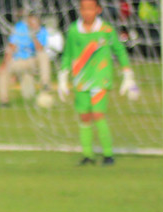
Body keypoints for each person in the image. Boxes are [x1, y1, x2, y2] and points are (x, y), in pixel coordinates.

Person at [57, 0, 139, 165]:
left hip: (101, 78)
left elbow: (119, 50)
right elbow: (67, 54)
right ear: (80, 10)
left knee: (98, 114)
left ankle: (108, 154)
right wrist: (63, 76)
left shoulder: (106, 29)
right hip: (80, 78)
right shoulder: (74, 30)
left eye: (90, 9)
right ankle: (88, 155)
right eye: (84, 9)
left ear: (98, 10)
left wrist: (127, 74)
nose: (87, 12)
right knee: (84, 116)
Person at [0, 10, 52, 106]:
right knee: (3, 71)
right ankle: (4, 101)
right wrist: (4, 63)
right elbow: (11, 47)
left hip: (33, 61)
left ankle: (45, 83)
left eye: (35, 21)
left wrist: (34, 36)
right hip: (19, 62)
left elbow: (40, 49)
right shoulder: (20, 28)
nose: (32, 23)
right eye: (30, 21)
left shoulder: (43, 31)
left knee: (44, 56)